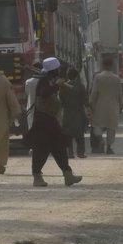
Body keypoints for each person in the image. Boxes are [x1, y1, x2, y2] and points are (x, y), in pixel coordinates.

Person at [23, 57, 82, 187]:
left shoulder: (48, 79)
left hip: (50, 119)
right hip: (43, 120)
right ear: (54, 70)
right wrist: (57, 85)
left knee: (59, 147)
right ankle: (37, 177)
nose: (60, 71)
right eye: (58, 69)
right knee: (41, 149)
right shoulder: (43, 81)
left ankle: (68, 175)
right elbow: (44, 93)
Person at [89, 58, 123, 155]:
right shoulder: (116, 78)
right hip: (113, 107)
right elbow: (120, 94)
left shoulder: (98, 77)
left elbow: (94, 93)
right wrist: (121, 105)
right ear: (112, 66)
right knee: (111, 128)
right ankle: (109, 147)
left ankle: (100, 139)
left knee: (97, 125)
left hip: (100, 106)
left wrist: (91, 104)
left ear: (103, 65)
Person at [59, 67, 89, 159]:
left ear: (67, 76)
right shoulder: (81, 86)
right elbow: (85, 101)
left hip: (67, 113)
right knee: (79, 135)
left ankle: (70, 153)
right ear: (76, 76)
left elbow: (60, 100)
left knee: (68, 134)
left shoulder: (63, 86)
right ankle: (80, 153)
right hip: (78, 113)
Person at [24, 62, 43, 131]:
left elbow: (27, 93)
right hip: (42, 110)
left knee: (32, 128)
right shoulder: (45, 82)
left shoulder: (28, 82)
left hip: (31, 109)